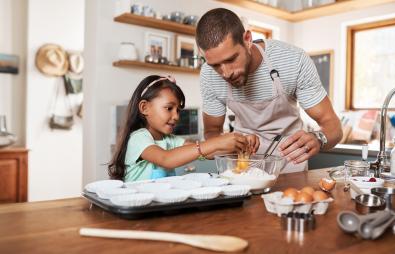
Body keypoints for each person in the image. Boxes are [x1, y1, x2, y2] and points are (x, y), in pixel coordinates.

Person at [195, 8, 343, 173]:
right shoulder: (208, 75)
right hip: (242, 169)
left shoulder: (293, 60)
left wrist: (319, 138)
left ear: (247, 39)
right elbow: (211, 132)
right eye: (215, 65)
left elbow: (334, 127)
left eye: (231, 59)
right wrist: (229, 144)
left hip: (290, 165)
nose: (226, 73)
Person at [108, 75, 255, 181]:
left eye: (178, 110)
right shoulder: (138, 138)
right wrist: (216, 142)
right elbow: (166, 159)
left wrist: (238, 143)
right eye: (169, 108)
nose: (176, 116)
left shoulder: (169, 140)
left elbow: (208, 153)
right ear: (144, 107)